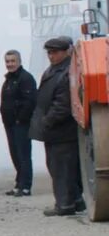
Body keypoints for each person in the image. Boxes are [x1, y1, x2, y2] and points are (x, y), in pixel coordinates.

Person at [30, 37, 84, 216]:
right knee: (59, 167)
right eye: (49, 52)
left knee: (62, 169)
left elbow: (63, 106)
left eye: (55, 52)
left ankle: (65, 205)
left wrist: (47, 121)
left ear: (66, 52)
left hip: (62, 131)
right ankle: (75, 200)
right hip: (56, 132)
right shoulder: (55, 70)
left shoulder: (67, 71)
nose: (51, 56)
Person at [0, 49, 37, 196]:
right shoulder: (9, 79)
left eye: (12, 61)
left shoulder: (26, 78)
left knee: (23, 154)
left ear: (19, 61)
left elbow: (30, 101)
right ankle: (19, 183)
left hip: (21, 123)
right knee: (15, 154)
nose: (10, 64)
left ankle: (25, 186)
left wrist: (20, 118)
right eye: (7, 61)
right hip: (10, 123)